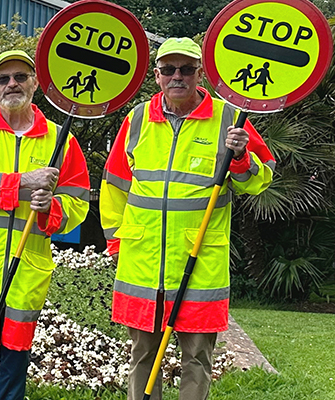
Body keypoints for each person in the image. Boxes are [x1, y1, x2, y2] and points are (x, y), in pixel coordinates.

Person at [100, 37, 275, 400]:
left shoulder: (229, 118)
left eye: (185, 69)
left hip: (200, 264)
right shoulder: (136, 120)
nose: (176, 76)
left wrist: (241, 158)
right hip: (142, 264)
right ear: (157, 76)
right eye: (168, 69)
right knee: (143, 353)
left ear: (200, 73)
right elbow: (114, 185)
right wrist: (116, 240)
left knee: (197, 356)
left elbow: (259, 179)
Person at [0, 50, 91, 400]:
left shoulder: (61, 139)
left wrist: (51, 209)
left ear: (35, 83)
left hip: (27, 268)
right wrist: (22, 182)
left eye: (21, 77)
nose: (12, 84)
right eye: (4, 79)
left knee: (16, 353)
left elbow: (78, 202)